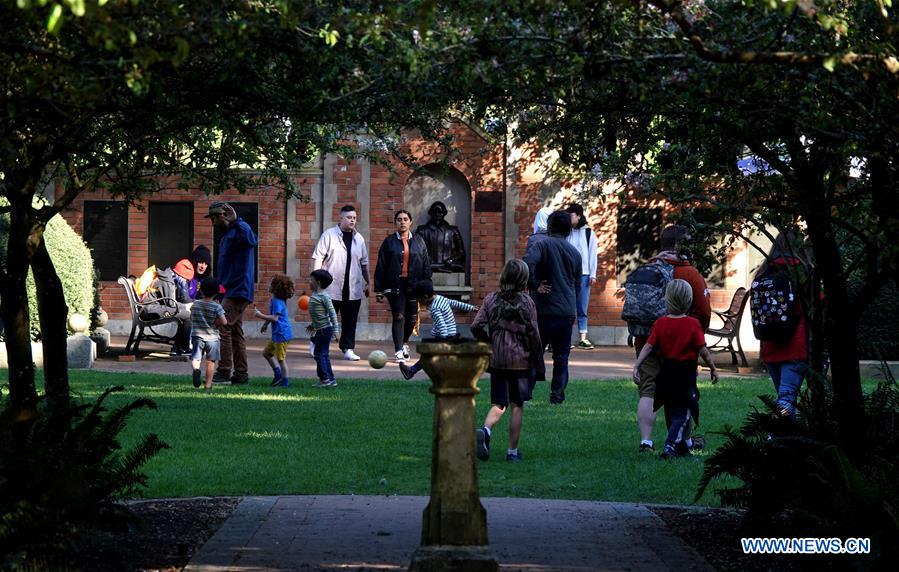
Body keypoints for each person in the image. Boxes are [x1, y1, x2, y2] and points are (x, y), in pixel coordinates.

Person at [633, 224, 711, 452]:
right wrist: (695, 335)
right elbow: (704, 311)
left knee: (648, 389)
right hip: (680, 346)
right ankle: (679, 440)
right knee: (680, 392)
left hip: (647, 339)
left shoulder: (646, 268)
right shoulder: (690, 273)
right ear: (682, 245)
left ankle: (646, 441)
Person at [633, 279, 719, 459]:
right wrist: (712, 367)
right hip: (685, 374)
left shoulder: (660, 323)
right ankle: (670, 445)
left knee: (674, 409)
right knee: (685, 410)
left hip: (666, 372)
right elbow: (703, 350)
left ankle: (683, 443)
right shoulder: (693, 324)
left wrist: (637, 365)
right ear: (689, 300)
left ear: (667, 299)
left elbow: (648, 347)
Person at [471, 260, 544, 462]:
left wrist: (489, 343)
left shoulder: (491, 299)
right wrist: (537, 356)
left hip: (498, 360)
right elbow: (534, 334)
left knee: (499, 403)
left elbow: (476, 326)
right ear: (523, 279)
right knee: (517, 404)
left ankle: (485, 430)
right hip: (521, 360)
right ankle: (512, 452)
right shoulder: (527, 302)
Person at [522, 210, 581, 404]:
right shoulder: (575, 253)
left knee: (534, 354)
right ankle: (557, 396)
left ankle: (526, 393)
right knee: (561, 357)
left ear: (549, 227)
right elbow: (578, 285)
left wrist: (534, 284)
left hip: (544, 309)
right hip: (566, 311)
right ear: (568, 230)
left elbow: (526, 264)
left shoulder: (542, 245)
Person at [754, 233, 811, 419]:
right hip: (796, 344)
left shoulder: (763, 272)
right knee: (787, 398)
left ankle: (786, 443)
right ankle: (774, 438)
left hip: (769, 344)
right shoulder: (802, 271)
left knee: (784, 396)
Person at [207, 201, 258, 385]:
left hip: (238, 290)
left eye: (213, 218)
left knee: (223, 326)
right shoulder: (227, 234)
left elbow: (252, 240)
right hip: (228, 290)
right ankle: (241, 374)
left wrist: (237, 221)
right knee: (235, 332)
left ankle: (224, 371)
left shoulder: (239, 230)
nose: (211, 222)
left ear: (221, 216)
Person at [311, 205, 370, 361]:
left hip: (353, 288)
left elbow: (364, 264)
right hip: (330, 288)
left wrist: (369, 283)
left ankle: (348, 348)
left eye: (354, 218)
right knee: (325, 319)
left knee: (350, 321)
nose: (352, 220)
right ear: (341, 217)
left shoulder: (359, 239)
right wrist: (316, 282)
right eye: (349, 217)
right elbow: (318, 258)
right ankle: (315, 342)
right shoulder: (328, 235)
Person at [374, 210, 432, 363]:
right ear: (395, 222)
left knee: (412, 319)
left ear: (410, 222)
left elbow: (426, 265)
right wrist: (378, 290)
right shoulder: (389, 242)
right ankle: (399, 350)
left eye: (405, 219)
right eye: (399, 219)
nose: (402, 222)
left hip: (415, 285)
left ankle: (404, 342)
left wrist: (428, 288)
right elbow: (381, 265)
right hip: (395, 285)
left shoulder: (419, 241)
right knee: (399, 316)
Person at [398, 279, 477, 380]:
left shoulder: (434, 308)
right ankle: (412, 371)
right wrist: (471, 308)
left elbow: (442, 325)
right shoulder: (440, 298)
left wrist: (443, 342)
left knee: (431, 356)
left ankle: (413, 371)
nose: (418, 302)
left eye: (419, 299)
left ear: (425, 297)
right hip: (451, 335)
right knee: (430, 356)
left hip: (445, 337)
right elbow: (455, 303)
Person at [169, 245, 214, 356]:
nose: (203, 266)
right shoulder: (186, 272)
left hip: (183, 306)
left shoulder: (198, 278)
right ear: (195, 262)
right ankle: (184, 347)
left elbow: (199, 296)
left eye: (206, 263)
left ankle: (177, 347)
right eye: (200, 262)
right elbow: (184, 298)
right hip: (174, 305)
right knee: (189, 315)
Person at [565, 204, 599, 349]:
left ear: (579, 215)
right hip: (568, 274)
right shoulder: (566, 232)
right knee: (567, 306)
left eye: (571, 215)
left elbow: (593, 254)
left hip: (584, 274)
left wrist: (593, 274)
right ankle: (566, 337)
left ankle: (582, 338)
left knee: (582, 306)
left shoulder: (588, 233)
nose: (569, 217)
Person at [253, 274, 295, 388]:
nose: (268, 285)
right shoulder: (275, 300)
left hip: (282, 335)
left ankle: (285, 381)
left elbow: (275, 318)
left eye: (271, 283)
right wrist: (265, 324)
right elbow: (274, 316)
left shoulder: (277, 301)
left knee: (281, 359)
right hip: (278, 334)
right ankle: (278, 374)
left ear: (276, 288)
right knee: (266, 353)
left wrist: (260, 315)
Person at [189, 277, 228, 390]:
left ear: (201, 291)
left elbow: (191, 318)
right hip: (213, 338)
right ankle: (208, 385)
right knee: (211, 361)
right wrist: (215, 322)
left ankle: (196, 370)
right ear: (217, 292)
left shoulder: (195, 304)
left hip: (197, 335)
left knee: (196, 358)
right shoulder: (217, 306)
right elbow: (224, 322)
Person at [308, 269, 340, 388]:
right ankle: (330, 379)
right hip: (320, 329)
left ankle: (325, 379)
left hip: (325, 330)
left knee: (319, 354)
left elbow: (332, 313)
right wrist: (313, 325)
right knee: (323, 354)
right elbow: (319, 314)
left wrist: (336, 331)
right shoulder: (316, 295)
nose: (309, 282)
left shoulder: (324, 296)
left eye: (311, 280)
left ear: (319, 282)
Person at [416, 201, 466, 273]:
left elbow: (461, 253)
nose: (437, 214)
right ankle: (438, 268)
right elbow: (416, 251)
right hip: (429, 263)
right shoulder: (422, 230)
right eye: (435, 212)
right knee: (419, 265)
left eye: (440, 212)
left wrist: (452, 259)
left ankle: (438, 268)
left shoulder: (453, 231)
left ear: (444, 213)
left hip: (448, 265)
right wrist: (426, 258)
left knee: (460, 267)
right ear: (431, 213)